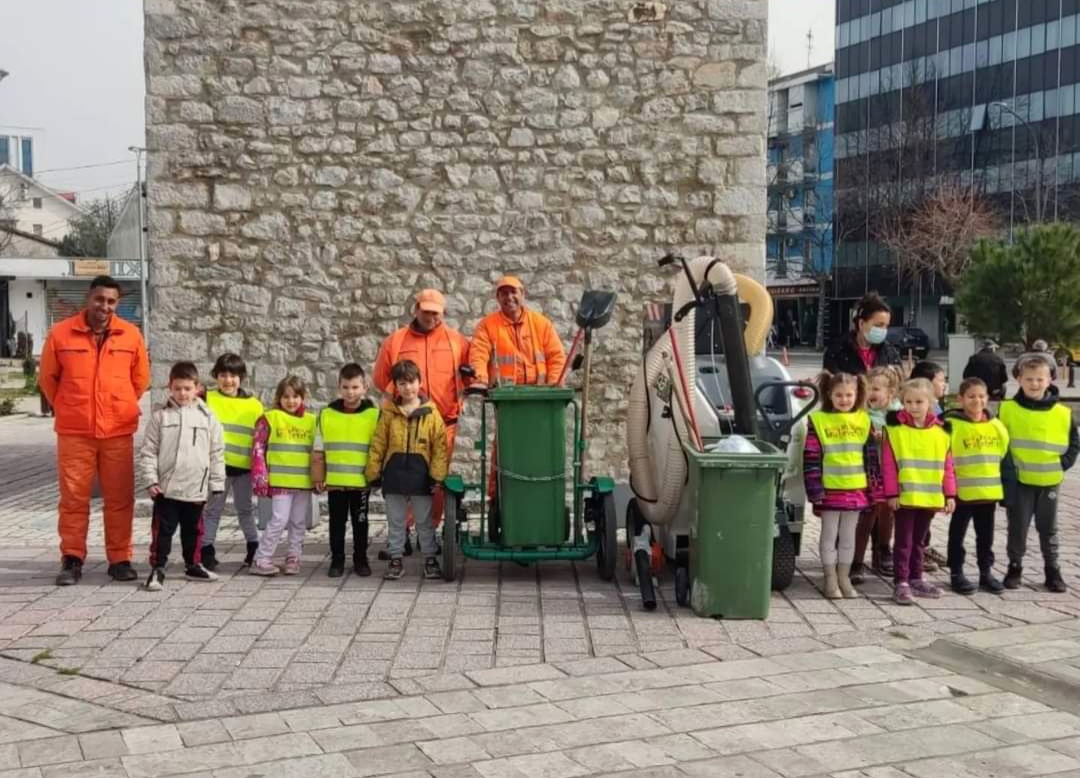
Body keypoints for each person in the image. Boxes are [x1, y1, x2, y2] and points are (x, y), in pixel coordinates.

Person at [38, 275, 150, 586]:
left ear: (117, 304)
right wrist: (70, 406)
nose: (104, 306)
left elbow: (140, 379)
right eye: (99, 299)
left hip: (117, 431)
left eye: (111, 302)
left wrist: (118, 403)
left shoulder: (131, 335)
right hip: (75, 432)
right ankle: (72, 559)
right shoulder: (61, 334)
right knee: (73, 498)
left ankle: (120, 558)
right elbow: (48, 379)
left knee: (120, 498)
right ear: (89, 298)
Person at [372, 289, 469, 558]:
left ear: (443, 313)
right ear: (416, 309)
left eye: (435, 313)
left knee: (434, 480)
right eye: (426, 311)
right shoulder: (396, 340)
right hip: (403, 421)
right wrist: (402, 400)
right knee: (403, 477)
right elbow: (381, 378)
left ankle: (429, 533)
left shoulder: (456, 341)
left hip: (443, 424)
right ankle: (401, 535)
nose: (431, 317)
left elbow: (472, 374)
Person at [138, 362, 225, 591]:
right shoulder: (161, 417)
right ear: (170, 387)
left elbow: (217, 452)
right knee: (163, 531)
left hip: (196, 486)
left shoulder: (208, 417)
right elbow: (148, 451)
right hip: (167, 488)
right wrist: (151, 480)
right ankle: (158, 568)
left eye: (187, 388)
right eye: (177, 388)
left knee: (194, 530)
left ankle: (193, 564)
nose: (182, 393)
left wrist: (216, 481)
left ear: (197, 388)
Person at [999, 355, 1079, 592]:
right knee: (1017, 527)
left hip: (1049, 481)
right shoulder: (1007, 410)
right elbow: (999, 443)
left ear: (1050, 379)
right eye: (1029, 379)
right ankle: (1015, 567)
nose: (1034, 384)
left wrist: (1061, 464)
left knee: (1049, 529)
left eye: (1039, 379)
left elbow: (1073, 443)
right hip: (1020, 482)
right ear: (1019, 379)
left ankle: (1052, 570)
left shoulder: (1063, 413)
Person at [365, 360, 449, 581]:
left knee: (424, 520)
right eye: (402, 383)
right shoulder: (389, 414)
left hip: (421, 476)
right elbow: (379, 443)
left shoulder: (431, 414)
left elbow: (439, 446)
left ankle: (430, 558)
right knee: (396, 520)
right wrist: (373, 472)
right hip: (394, 475)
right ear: (396, 386)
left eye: (412, 382)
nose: (408, 388)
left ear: (420, 383)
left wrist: (437, 475)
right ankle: (395, 558)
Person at [882, 378, 956, 605]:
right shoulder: (895, 430)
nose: (913, 406)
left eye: (919, 402)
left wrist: (950, 494)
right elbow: (889, 464)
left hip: (930, 497)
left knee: (919, 541)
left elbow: (948, 465)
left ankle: (916, 577)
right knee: (904, 541)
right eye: (908, 402)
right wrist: (892, 493)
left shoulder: (942, 432)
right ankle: (901, 582)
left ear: (931, 402)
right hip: (905, 497)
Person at [803, 372, 873, 600]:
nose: (844, 399)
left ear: (857, 394)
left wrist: (874, 490)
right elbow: (811, 457)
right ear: (829, 395)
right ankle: (830, 578)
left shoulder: (864, 420)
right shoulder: (819, 421)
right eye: (839, 395)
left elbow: (871, 458)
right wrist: (814, 490)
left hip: (856, 489)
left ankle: (844, 576)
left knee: (848, 536)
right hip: (829, 490)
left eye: (849, 395)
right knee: (829, 534)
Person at [312, 363, 379, 578]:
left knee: (361, 522)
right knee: (336, 523)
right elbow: (318, 448)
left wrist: (376, 476)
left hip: (361, 482)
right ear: (339, 388)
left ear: (365, 387)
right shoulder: (326, 414)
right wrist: (318, 476)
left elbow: (378, 448)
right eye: (346, 387)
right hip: (335, 481)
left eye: (355, 387)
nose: (350, 392)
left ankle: (361, 559)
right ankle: (337, 560)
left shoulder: (374, 415)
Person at [944, 378, 1009, 595]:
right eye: (971, 396)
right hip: (961, 493)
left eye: (981, 396)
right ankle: (956, 572)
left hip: (987, 493)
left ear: (988, 398)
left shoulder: (996, 425)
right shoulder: (952, 425)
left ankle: (985, 572)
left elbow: (1002, 451)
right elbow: (946, 457)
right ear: (960, 399)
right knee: (957, 535)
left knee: (986, 536)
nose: (977, 400)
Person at [249, 376, 316, 577]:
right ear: (279, 397)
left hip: (303, 482)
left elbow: (318, 451)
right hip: (280, 481)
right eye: (286, 396)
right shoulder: (270, 418)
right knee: (279, 519)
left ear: (303, 397)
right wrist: (261, 476)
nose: (291, 401)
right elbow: (258, 448)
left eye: (296, 396)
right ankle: (262, 558)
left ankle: (293, 556)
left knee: (298, 521)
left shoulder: (312, 421)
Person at [202, 353, 263, 570]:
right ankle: (206, 549)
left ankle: (253, 547)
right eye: (223, 375)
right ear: (216, 376)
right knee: (212, 510)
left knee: (245, 509)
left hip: (244, 468)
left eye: (234, 375)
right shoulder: (207, 399)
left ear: (242, 377)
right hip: (217, 466)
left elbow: (260, 438)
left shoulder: (254, 405)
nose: (229, 380)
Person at [468, 276, 566, 389]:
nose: (509, 297)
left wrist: (554, 384)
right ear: (498, 298)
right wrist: (480, 380)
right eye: (504, 293)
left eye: (513, 292)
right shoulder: (486, 326)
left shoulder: (541, 324)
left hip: (540, 392)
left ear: (522, 294)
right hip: (505, 395)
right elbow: (478, 355)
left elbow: (556, 356)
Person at [851, 365, 902, 582]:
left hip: (890, 475)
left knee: (887, 514)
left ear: (890, 393)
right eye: (868, 388)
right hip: (867, 474)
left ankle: (883, 550)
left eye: (877, 389)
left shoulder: (899, 415)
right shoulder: (860, 415)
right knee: (866, 515)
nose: (871, 393)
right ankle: (856, 561)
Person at [822, 292, 902, 376]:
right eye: (878, 325)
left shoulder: (889, 352)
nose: (883, 330)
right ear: (861, 323)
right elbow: (831, 383)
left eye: (886, 326)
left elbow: (900, 382)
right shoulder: (837, 351)